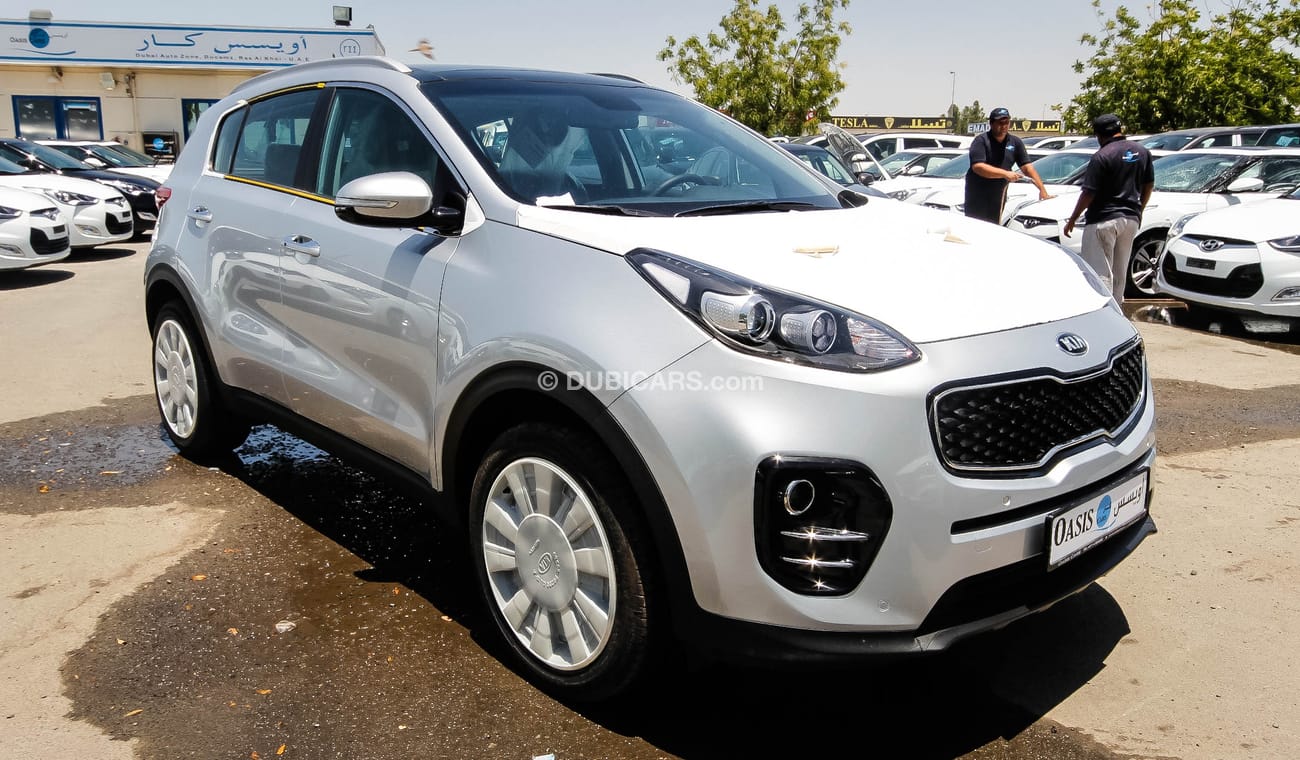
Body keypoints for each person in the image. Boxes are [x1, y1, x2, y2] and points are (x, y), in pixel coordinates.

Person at [1063, 114, 1155, 303]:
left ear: (1099, 135)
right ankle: (1117, 310)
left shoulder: (1102, 155)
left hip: (1103, 219)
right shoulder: (1142, 151)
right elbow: (1149, 185)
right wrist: (1140, 210)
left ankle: (1102, 311)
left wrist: (1073, 218)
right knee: (1120, 271)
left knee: (1100, 272)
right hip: (1131, 219)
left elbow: (1088, 192)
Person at [964, 107, 1051, 223]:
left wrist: (1042, 190)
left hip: (998, 194)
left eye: (1006, 122)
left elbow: (1027, 168)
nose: (1004, 126)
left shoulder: (1015, 142)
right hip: (977, 194)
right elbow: (978, 167)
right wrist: (1005, 174)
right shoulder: (981, 141)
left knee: (994, 226)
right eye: (1000, 123)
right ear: (991, 123)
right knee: (976, 226)